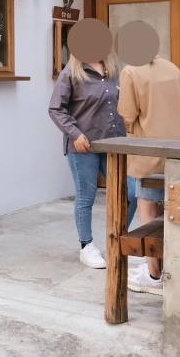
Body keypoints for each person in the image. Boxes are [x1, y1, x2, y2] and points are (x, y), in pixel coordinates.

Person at [118, 56, 180, 295]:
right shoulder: (172, 67)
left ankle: (154, 276)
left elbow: (129, 118)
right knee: (170, 212)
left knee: (148, 210)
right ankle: (169, 267)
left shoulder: (131, 71)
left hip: (151, 152)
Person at [49, 52, 125, 269]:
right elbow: (55, 108)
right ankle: (86, 246)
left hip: (114, 143)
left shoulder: (113, 71)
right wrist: (75, 134)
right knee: (86, 197)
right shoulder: (71, 73)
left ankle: (119, 240)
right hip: (84, 146)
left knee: (127, 192)